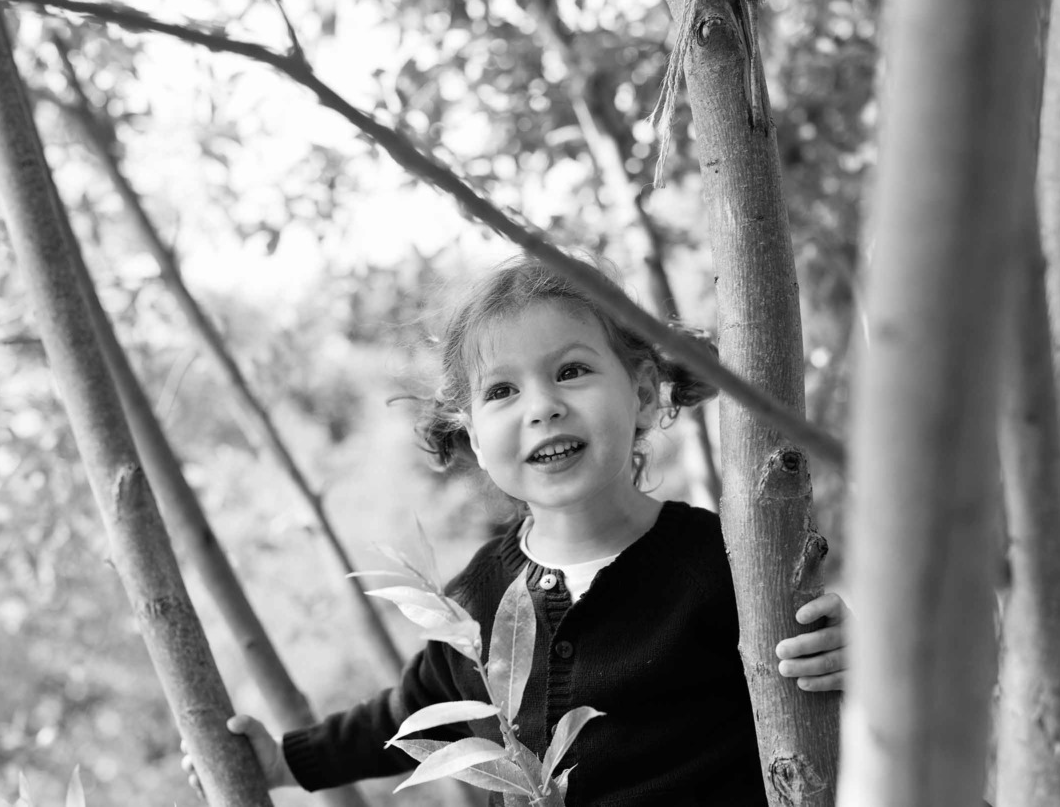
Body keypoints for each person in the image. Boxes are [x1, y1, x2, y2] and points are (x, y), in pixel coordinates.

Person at [184, 257, 849, 806]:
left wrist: (848, 645)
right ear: (471, 434)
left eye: (571, 371)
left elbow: (815, 668)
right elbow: (407, 714)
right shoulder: (480, 596)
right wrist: (287, 761)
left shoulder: (720, 559)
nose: (543, 407)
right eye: (502, 391)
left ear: (644, 395)